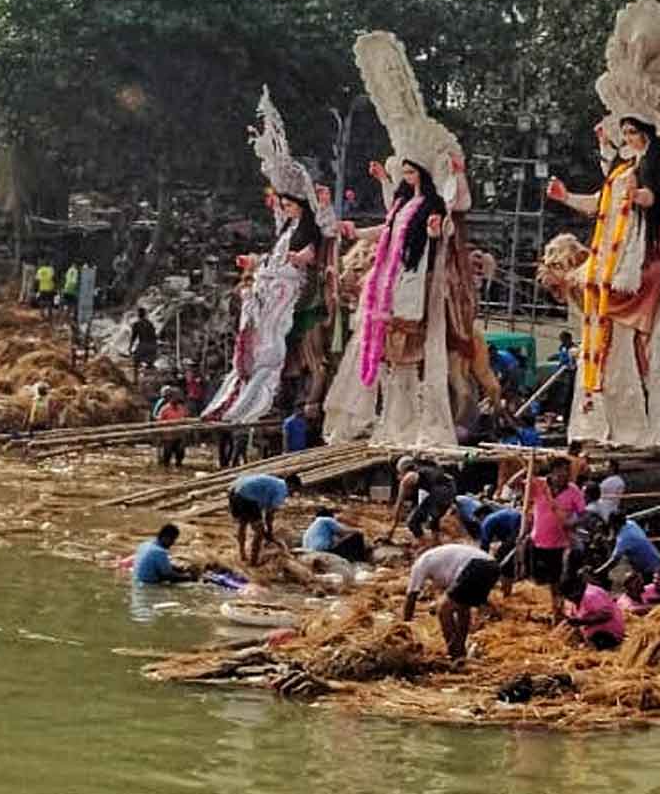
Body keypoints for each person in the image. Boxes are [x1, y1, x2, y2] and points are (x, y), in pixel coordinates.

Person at [541, 0, 660, 453]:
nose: (626, 141)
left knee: (620, 353)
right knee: (603, 351)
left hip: (635, 269)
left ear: (645, 138)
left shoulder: (650, 169)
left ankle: (633, 427)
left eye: (633, 136)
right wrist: (566, 197)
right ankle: (600, 424)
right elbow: (599, 209)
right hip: (604, 268)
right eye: (623, 135)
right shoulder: (617, 174)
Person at [323, 30, 477, 446]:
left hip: (416, 285)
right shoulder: (401, 204)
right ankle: (390, 419)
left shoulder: (432, 206)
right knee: (390, 360)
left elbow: (453, 212)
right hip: (387, 284)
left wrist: (454, 181)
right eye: (403, 173)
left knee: (409, 357)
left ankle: (418, 421)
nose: (406, 178)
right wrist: (356, 229)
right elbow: (387, 230)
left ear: (423, 174)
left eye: (411, 173)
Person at [204, 89, 336, 424]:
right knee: (249, 305)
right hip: (272, 280)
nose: (286, 207)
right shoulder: (285, 229)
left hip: (292, 285)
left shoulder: (308, 229)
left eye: (291, 204)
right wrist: (255, 263)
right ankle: (240, 378)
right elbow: (274, 257)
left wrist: (297, 258)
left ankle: (269, 377)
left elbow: (311, 253)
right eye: (284, 204)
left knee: (271, 322)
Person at [506, 458, 586, 619]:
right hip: (537, 541)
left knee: (556, 582)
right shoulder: (538, 484)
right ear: (552, 471)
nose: (563, 474)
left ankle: (557, 614)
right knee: (531, 576)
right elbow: (511, 484)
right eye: (560, 470)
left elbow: (583, 514)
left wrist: (572, 523)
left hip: (559, 544)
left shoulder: (573, 491)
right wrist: (529, 468)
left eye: (566, 471)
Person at [403, 543, 500, 661]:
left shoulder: (419, 564)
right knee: (463, 608)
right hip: (492, 567)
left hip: (476, 565)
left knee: (443, 610)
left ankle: (453, 650)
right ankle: (460, 649)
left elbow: (411, 597)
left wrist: (403, 627)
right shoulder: (440, 561)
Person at [228, 472, 302, 566]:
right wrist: (269, 532)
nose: (293, 492)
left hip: (235, 490)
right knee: (259, 531)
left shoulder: (275, 482)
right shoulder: (282, 490)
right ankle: (253, 561)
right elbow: (269, 514)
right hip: (247, 496)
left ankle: (242, 554)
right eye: (294, 489)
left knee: (243, 523)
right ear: (291, 484)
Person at [388, 457, 457, 542]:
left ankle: (423, 543)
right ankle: (436, 542)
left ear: (401, 470)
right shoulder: (425, 470)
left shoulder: (408, 478)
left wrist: (392, 528)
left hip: (441, 493)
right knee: (433, 521)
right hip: (450, 490)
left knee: (412, 522)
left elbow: (399, 503)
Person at [562, 574, 625, 649]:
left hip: (608, 635)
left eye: (570, 596)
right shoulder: (577, 598)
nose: (570, 599)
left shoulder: (591, 595)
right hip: (593, 636)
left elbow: (607, 614)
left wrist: (582, 621)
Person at [598, 512, 660, 580]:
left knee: (646, 586)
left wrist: (599, 571)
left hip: (647, 567)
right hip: (654, 558)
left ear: (616, 524)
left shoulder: (624, 538)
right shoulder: (631, 523)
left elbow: (614, 560)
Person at [478, 504, 523, 595]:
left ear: (482, 516)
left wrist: (482, 565)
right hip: (522, 520)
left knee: (502, 558)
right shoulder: (497, 517)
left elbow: (484, 546)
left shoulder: (486, 522)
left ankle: (505, 589)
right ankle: (506, 586)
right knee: (507, 557)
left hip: (518, 524)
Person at [301, 506, 368, 562]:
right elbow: (342, 530)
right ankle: (361, 560)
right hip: (324, 551)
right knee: (358, 536)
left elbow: (337, 538)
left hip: (310, 552)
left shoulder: (311, 528)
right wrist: (358, 530)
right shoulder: (326, 520)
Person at [157, 389, 188, 467]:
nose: (175, 400)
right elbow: (159, 422)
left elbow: (185, 419)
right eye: (173, 398)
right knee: (167, 452)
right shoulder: (164, 409)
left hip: (179, 434)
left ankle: (179, 464)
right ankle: (166, 465)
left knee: (180, 452)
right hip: (168, 435)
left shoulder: (182, 408)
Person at [129, 307, 158, 381]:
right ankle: (152, 375)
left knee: (135, 361)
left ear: (138, 315)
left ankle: (135, 380)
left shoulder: (136, 324)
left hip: (144, 345)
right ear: (145, 314)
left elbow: (133, 337)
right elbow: (154, 336)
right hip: (153, 346)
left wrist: (130, 347)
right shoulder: (150, 323)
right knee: (150, 363)